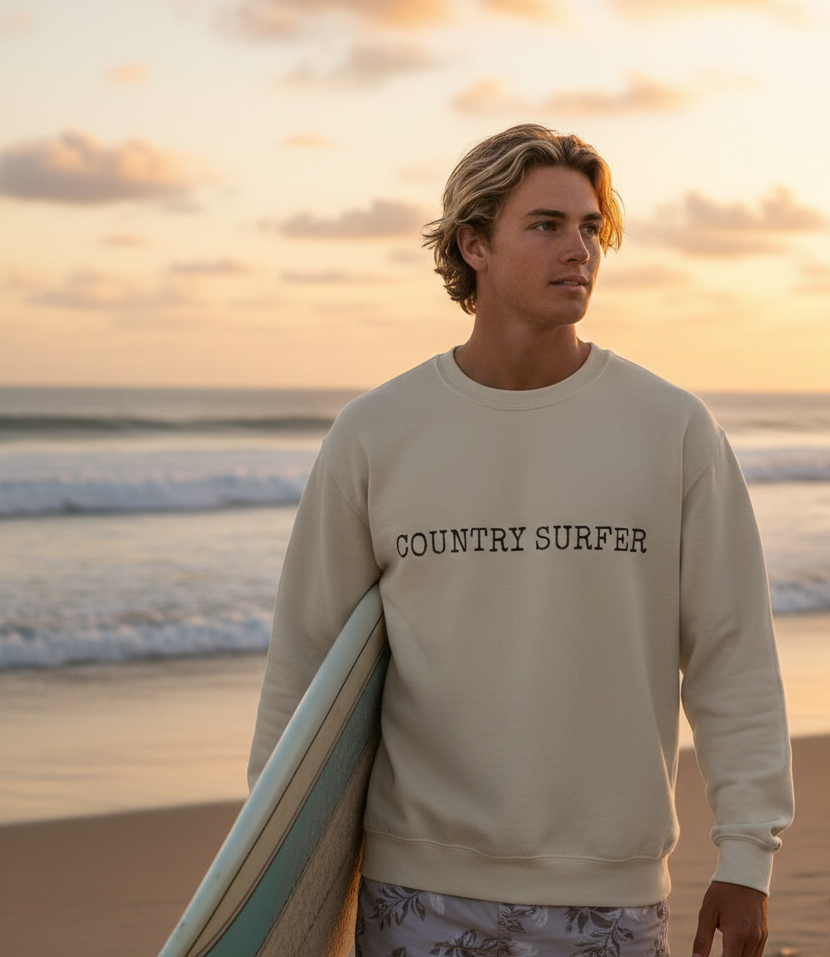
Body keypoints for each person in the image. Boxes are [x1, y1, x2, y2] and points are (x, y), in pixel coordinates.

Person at [248, 124, 793, 957]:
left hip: (605, 889)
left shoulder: (670, 429)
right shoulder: (375, 434)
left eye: (588, 228)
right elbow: (306, 658)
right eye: (545, 225)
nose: (578, 249)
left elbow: (732, 651)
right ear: (473, 244)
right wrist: (272, 877)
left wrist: (747, 854)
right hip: (415, 887)